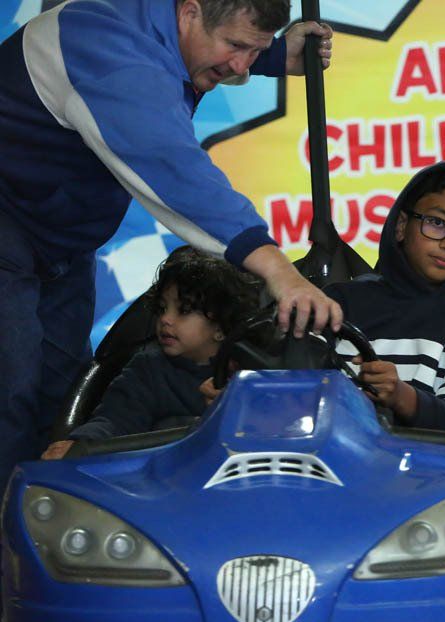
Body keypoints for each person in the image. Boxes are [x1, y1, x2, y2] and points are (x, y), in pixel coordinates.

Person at [0, 0, 343, 490]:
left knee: (58, 399)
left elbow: (189, 53)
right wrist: (279, 271)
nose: (239, 65)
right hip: (9, 223)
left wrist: (267, 56)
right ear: (189, 12)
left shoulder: (163, 26)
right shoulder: (109, 51)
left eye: (254, 50)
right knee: (7, 393)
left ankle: (41, 522)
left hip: (59, 242)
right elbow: (177, 172)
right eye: (236, 47)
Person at [324, 162, 445, 433]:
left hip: (430, 471)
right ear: (401, 226)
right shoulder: (337, 303)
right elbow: (296, 391)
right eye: (437, 223)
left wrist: (400, 396)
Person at [41, 247, 259, 460]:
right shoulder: (147, 368)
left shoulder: (251, 371)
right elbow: (116, 420)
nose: (165, 319)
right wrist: (81, 445)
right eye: (162, 308)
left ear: (221, 328)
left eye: (183, 310)